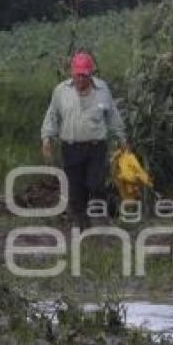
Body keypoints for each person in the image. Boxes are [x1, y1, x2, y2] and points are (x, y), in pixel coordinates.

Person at [41, 52, 128, 229]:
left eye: (84, 75)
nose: (80, 79)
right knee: (76, 190)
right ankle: (82, 227)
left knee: (95, 184)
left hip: (96, 147)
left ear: (90, 74)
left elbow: (112, 116)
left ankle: (101, 219)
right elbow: (52, 115)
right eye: (77, 74)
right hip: (71, 148)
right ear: (72, 73)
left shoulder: (102, 90)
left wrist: (121, 138)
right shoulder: (61, 91)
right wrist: (46, 139)